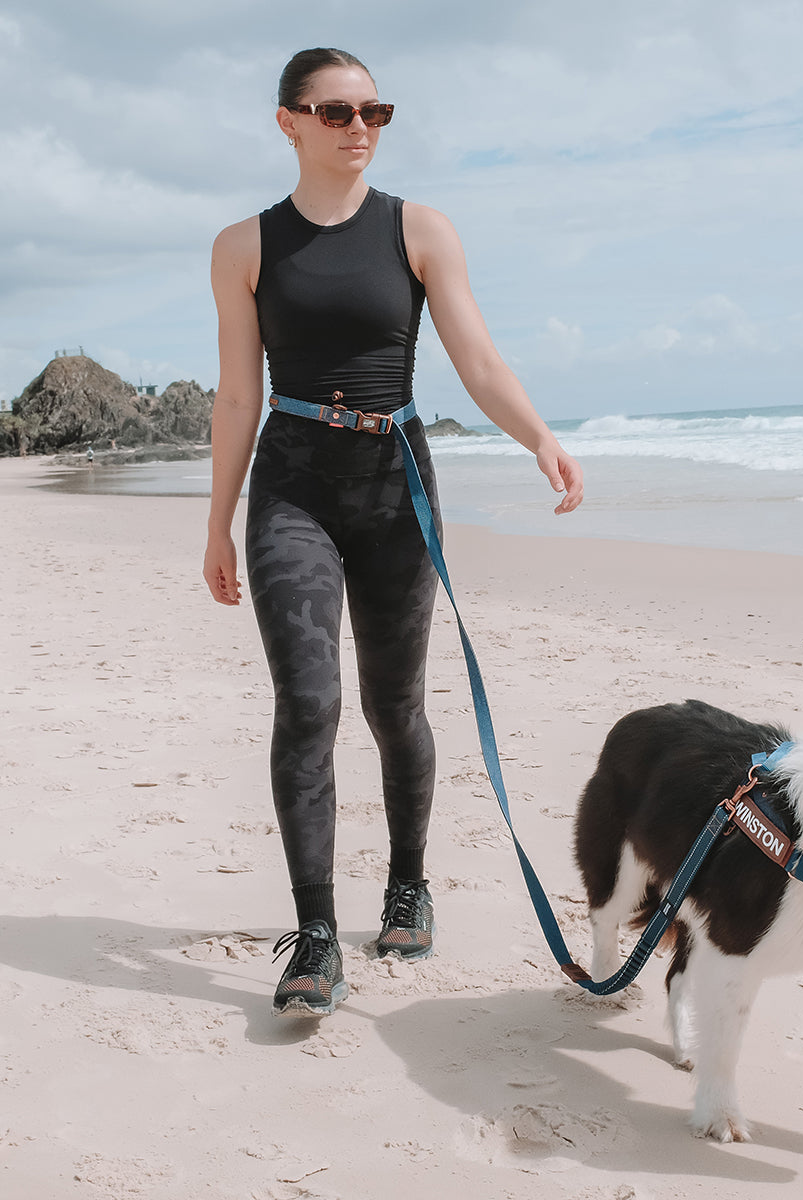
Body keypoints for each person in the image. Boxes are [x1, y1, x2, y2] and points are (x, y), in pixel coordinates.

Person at [202, 47, 583, 1018]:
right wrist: (218, 520)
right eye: (336, 112)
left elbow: (478, 358)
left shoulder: (419, 229)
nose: (359, 126)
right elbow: (240, 392)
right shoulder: (244, 246)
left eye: (375, 110)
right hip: (290, 485)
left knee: (394, 707)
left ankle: (408, 880)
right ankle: (316, 935)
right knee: (308, 700)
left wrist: (539, 434)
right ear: (287, 121)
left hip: (394, 485)